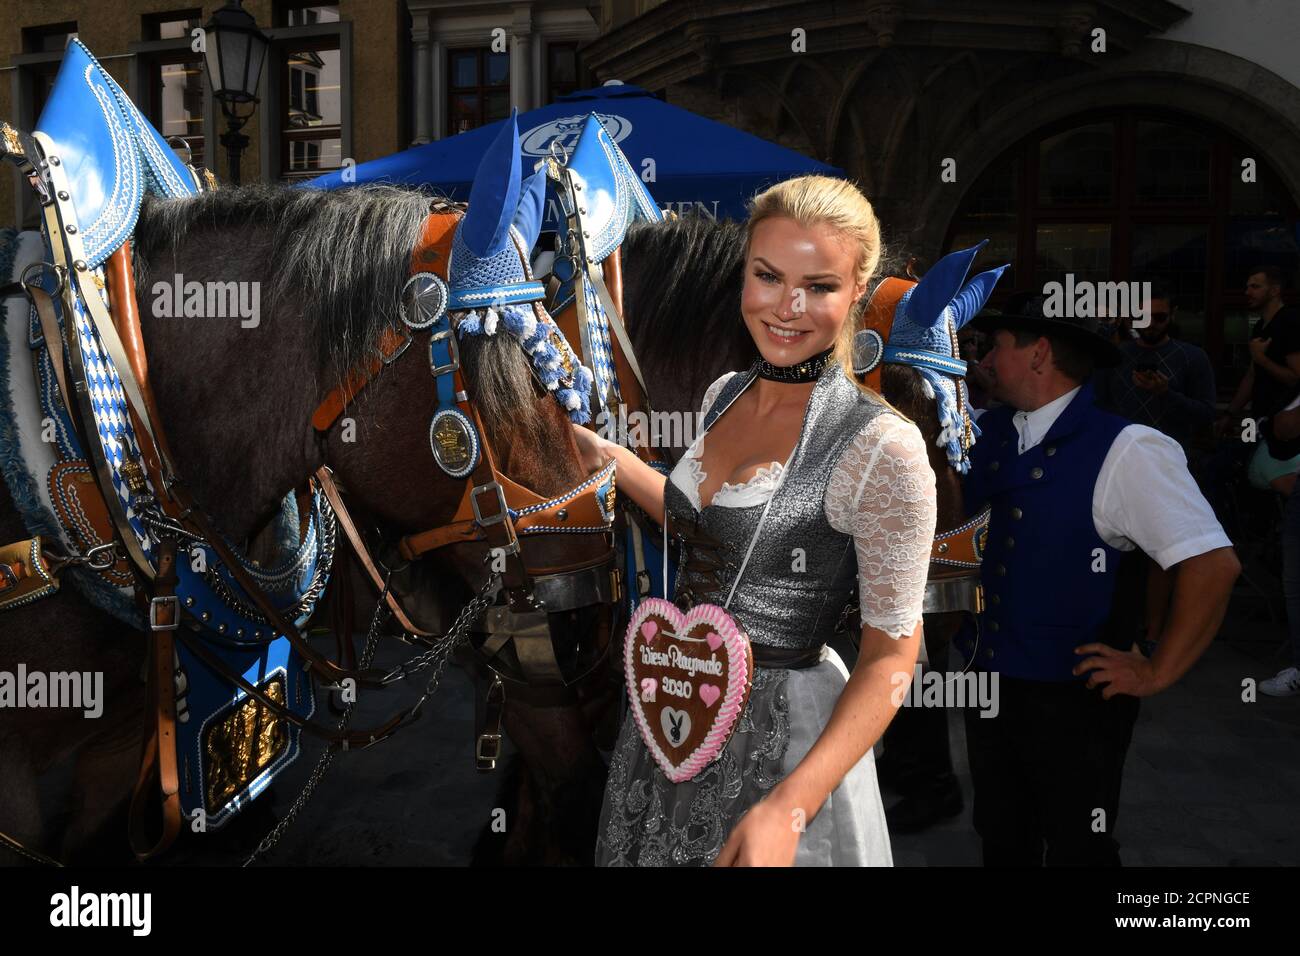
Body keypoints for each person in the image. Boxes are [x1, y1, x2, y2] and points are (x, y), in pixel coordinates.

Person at [573, 175, 938, 866]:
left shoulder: (882, 446)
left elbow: (893, 660)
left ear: (858, 289)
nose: (787, 307)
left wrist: (790, 807)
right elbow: (697, 520)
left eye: (820, 286)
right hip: (678, 710)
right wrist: (608, 457)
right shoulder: (725, 394)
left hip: (789, 738)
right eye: (768, 276)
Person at [955, 292, 1240, 867]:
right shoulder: (986, 432)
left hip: (1075, 700)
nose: (983, 360)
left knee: (1077, 845)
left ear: (1038, 354)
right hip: (986, 684)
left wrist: (1158, 671)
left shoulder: (1129, 448)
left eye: (996, 347)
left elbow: (1212, 565)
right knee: (1000, 835)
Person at [1204, 266, 1300, 527]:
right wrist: (1229, 413)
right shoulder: (1260, 326)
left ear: (1275, 290)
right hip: (1258, 420)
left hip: (1282, 425)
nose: (1247, 292)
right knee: (1225, 467)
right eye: (1247, 286)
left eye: (1255, 286)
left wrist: (1261, 359)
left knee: (1224, 469)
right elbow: (1252, 375)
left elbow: (1296, 376)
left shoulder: (1289, 322)